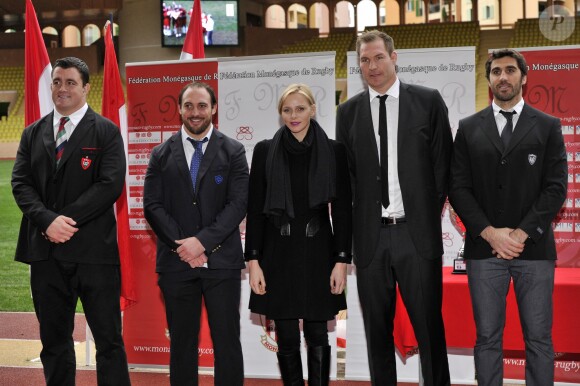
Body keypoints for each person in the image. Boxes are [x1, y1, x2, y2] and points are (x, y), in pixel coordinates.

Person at [335, 30, 452, 385]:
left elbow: (443, 168)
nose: (372, 66)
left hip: (417, 238)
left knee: (429, 330)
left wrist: (422, 219)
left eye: (378, 57)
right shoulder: (348, 112)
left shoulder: (428, 101)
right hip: (371, 241)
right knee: (377, 334)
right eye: (365, 61)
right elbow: (346, 182)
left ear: (394, 57)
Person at [449, 48, 567, 386]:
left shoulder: (547, 126)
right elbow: (458, 188)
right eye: (497, 71)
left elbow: (556, 188)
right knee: (487, 338)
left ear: (523, 77)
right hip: (484, 251)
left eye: (510, 70)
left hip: (534, 250)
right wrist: (490, 233)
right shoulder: (469, 128)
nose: (504, 77)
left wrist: (519, 235)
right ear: (488, 80)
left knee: (539, 339)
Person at [11, 56, 131, 386]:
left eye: (70, 83)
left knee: (109, 341)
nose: (62, 89)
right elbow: (21, 183)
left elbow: (110, 185)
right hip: (46, 254)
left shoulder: (106, 131)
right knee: (54, 342)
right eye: (57, 82)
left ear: (86, 88)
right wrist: (47, 221)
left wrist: (64, 221)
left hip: (94, 254)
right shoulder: (32, 133)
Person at [245, 83, 352, 386]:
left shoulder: (334, 151)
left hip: (319, 252)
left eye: (300, 108)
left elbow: (343, 212)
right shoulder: (265, 151)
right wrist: (253, 261)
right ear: (281, 113)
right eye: (287, 110)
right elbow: (255, 211)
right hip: (276, 253)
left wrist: (341, 261)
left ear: (313, 110)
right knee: (287, 335)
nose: (294, 115)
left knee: (318, 333)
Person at [143, 81, 247, 386]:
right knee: (182, 345)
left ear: (214, 109)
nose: (195, 112)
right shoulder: (160, 154)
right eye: (189, 105)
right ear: (179, 109)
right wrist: (183, 246)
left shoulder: (234, 150)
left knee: (227, 343)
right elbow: (152, 206)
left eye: (202, 105)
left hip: (221, 263)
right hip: (177, 265)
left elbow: (238, 204)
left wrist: (201, 242)